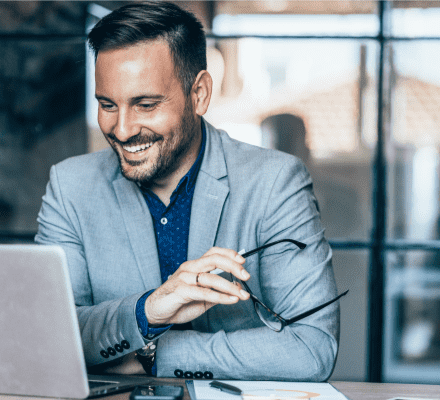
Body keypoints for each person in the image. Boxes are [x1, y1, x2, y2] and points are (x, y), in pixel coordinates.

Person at [35, 1, 339, 381]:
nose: (123, 129)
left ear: (199, 94)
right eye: (107, 104)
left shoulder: (275, 182)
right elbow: (50, 335)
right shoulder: (70, 187)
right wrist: (148, 310)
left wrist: (154, 354)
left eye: (145, 105)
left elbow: (313, 349)